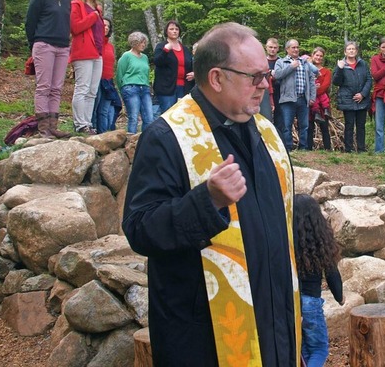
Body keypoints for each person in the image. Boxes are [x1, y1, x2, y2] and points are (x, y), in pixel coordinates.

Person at [122, 22, 301, 366]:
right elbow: (140, 229)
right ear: (217, 78)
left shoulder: (267, 133)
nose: (265, 84)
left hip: (275, 325)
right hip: (206, 338)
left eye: (266, 75)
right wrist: (208, 202)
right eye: (254, 76)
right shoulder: (167, 136)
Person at [294, 193, 343, 367]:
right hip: (310, 303)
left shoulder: (285, 239)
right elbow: (332, 273)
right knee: (319, 349)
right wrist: (339, 297)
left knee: (304, 350)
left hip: (289, 302)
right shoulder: (319, 241)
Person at [25, 0, 72, 139]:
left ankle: (53, 126)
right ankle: (43, 126)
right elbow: (30, 21)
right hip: (44, 44)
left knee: (57, 87)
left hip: (62, 46)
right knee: (43, 86)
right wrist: (34, 44)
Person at [69, 0, 104, 134]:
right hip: (83, 50)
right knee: (82, 88)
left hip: (97, 51)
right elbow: (75, 27)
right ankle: (80, 123)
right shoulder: (76, 5)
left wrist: (97, 13)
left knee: (92, 91)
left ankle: (88, 123)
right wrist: (93, 16)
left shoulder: (97, 8)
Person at [274, 39, 316, 150]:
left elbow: (312, 80)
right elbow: (277, 75)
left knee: (304, 126)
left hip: (303, 99)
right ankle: (288, 148)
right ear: (287, 49)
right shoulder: (281, 62)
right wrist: (291, 67)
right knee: (287, 126)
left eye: (297, 47)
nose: (296, 49)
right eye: (293, 47)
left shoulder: (305, 63)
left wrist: (312, 97)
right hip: (288, 99)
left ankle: (303, 147)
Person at [332, 41, 372, 153]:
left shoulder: (363, 64)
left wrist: (363, 94)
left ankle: (361, 149)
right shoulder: (341, 65)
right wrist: (339, 69)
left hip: (362, 100)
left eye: (353, 49)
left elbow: (369, 80)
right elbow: (336, 82)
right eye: (349, 49)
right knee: (349, 125)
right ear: (345, 51)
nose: (351, 51)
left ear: (356, 51)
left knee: (361, 125)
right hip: (347, 100)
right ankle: (348, 149)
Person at [153, 20, 195, 116]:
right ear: (166, 32)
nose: (174, 31)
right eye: (171, 29)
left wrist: (194, 74)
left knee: (181, 115)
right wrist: (165, 51)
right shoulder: (161, 46)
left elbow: (190, 64)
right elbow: (157, 62)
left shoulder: (184, 49)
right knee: (168, 114)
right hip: (167, 88)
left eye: (176, 29)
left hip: (183, 87)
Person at [116, 32, 153, 134]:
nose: (143, 45)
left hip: (145, 88)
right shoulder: (126, 56)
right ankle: (131, 141)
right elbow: (120, 74)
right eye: (141, 42)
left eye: (145, 43)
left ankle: (146, 142)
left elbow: (146, 73)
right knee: (134, 117)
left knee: (149, 117)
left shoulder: (145, 57)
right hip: (130, 88)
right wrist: (122, 89)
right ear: (134, 43)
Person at [94, 17, 120, 133]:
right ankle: (92, 130)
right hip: (96, 79)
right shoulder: (94, 42)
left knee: (105, 110)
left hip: (108, 81)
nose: (106, 28)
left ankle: (104, 135)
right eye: (103, 25)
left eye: (108, 26)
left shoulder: (110, 46)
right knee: (95, 108)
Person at [307, 47, 332, 150]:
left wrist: (313, 90)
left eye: (321, 56)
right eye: (317, 55)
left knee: (324, 126)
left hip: (322, 103)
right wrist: (311, 89)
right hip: (310, 101)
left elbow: (325, 86)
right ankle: (308, 147)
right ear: (312, 55)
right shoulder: (307, 68)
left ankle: (327, 148)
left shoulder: (326, 72)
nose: (318, 57)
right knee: (309, 125)